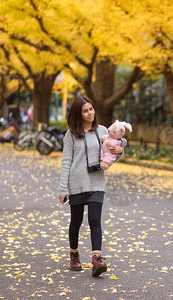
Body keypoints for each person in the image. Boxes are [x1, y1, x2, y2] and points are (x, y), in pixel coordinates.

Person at [58, 95, 126, 277]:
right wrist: (63, 188)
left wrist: (120, 151)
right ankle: (74, 254)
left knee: (95, 220)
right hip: (77, 183)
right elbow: (66, 161)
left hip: (97, 182)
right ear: (78, 114)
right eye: (85, 110)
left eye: (91, 109)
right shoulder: (71, 134)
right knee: (76, 222)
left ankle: (97, 260)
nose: (90, 113)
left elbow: (111, 152)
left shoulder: (103, 130)